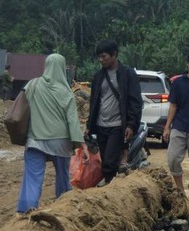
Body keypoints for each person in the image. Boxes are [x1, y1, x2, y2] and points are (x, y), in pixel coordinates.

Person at [17, 54, 85, 212]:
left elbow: (21, 106)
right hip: (61, 142)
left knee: (32, 177)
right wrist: (82, 145)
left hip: (35, 139)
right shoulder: (66, 92)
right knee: (62, 175)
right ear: (62, 68)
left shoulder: (32, 84)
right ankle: (63, 208)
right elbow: (72, 121)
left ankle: (26, 211)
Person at [86, 40, 143, 186]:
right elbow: (94, 102)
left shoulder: (128, 74)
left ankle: (109, 185)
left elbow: (135, 101)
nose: (101, 60)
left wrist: (131, 124)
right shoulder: (98, 76)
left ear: (114, 55)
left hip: (118, 124)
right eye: (99, 57)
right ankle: (111, 183)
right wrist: (89, 124)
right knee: (105, 158)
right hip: (100, 124)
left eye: (104, 56)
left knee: (110, 161)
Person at [163, 51, 189, 203]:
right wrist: (167, 127)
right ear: (187, 64)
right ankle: (180, 190)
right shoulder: (178, 83)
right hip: (179, 125)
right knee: (173, 158)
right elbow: (173, 105)